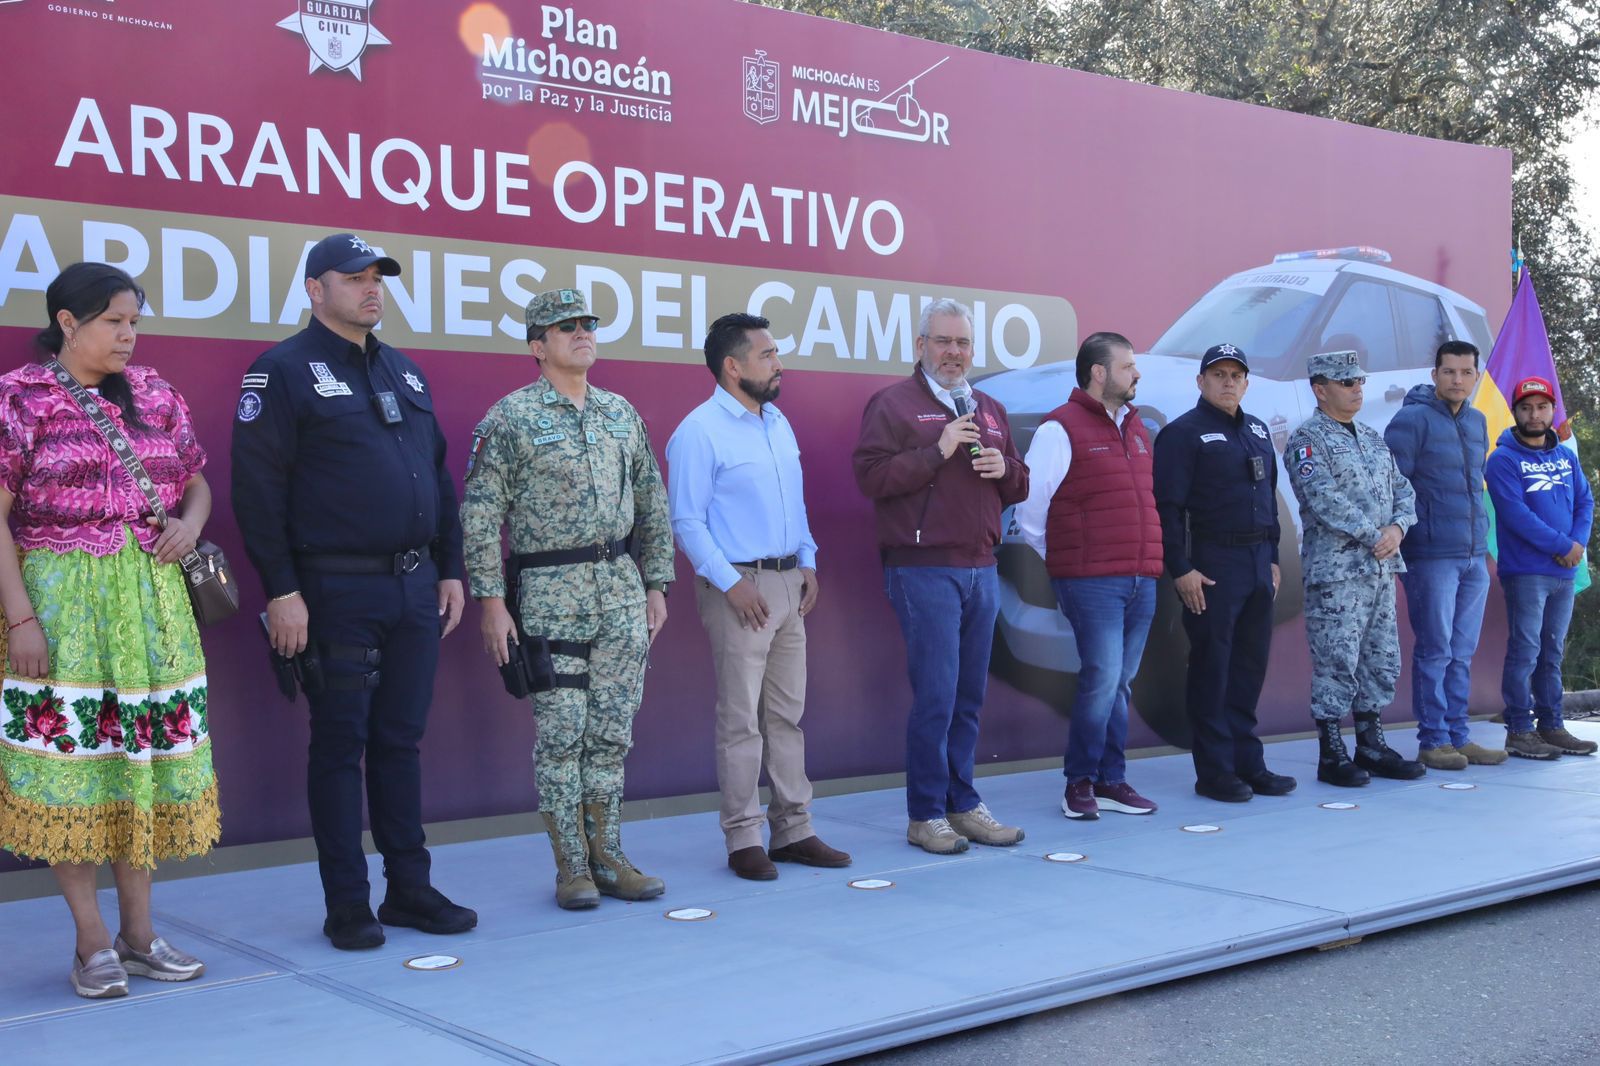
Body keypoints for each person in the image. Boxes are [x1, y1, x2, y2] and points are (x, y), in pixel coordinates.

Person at [232, 233, 475, 950]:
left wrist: (451, 568)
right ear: (316, 289)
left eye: (378, 279)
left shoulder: (404, 371)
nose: (372, 289)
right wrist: (282, 592)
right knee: (341, 746)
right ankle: (348, 904)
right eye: (356, 278)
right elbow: (257, 492)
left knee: (401, 741)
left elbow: (438, 480)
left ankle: (409, 890)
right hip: (334, 590)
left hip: (413, 588)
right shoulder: (281, 372)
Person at [0, 262, 216, 997]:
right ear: (68, 322)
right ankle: (91, 942)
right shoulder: (20, 398)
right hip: (62, 606)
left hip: (153, 604)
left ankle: (140, 934)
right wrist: (20, 617)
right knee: (76, 768)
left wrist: (189, 526)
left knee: (140, 764)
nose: (129, 335)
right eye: (114, 321)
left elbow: (196, 481)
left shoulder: (155, 392)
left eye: (134, 321)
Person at [462, 288, 675, 909]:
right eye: (565, 327)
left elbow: (652, 503)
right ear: (538, 346)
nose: (582, 333)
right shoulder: (510, 419)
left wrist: (656, 583)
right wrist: (490, 601)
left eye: (587, 324)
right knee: (562, 736)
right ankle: (572, 868)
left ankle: (610, 856)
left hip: (620, 594)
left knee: (611, 735)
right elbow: (479, 515)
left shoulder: (620, 413)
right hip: (551, 598)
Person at [665, 313, 850, 881]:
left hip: (789, 584)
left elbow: (793, 504)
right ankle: (743, 836)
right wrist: (732, 584)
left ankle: (794, 829)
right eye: (767, 355)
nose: (779, 365)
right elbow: (687, 521)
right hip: (738, 588)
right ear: (733, 366)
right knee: (741, 719)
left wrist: (809, 562)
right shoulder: (698, 431)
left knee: (786, 716)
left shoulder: (777, 423)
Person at [852, 298, 1028, 855]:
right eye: (943, 342)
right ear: (921, 346)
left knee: (969, 695)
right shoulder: (894, 404)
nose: (954, 353)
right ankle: (925, 814)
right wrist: (937, 450)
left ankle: (963, 803)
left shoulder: (990, 407)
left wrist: (1007, 472)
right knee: (937, 695)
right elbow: (871, 477)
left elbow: (1019, 482)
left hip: (982, 566)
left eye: (962, 344)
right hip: (924, 569)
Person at [1017, 332, 1163, 820]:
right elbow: (1030, 513)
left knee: (1121, 683)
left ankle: (1111, 780)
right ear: (1099, 373)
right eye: (1127, 366)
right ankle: (1079, 782)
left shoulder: (1138, 429)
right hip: (1090, 581)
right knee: (1102, 679)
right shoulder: (1059, 429)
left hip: (1142, 577)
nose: (1136, 374)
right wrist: (1066, 565)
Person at [1150, 344, 1298, 802]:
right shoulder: (1182, 434)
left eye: (1236, 374)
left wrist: (1272, 558)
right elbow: (1167, 509)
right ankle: (1214, 771)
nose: (1228, 381)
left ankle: (1248, 764)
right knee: (1213, 668)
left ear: (1247, 383)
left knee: (1248, 669)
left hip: (1256, 564)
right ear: (1201, 382)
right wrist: (1182, 569)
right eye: (1218, 374)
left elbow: (1269, 498)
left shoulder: (1255, 429)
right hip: (1211, 566)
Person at [1283, 350, 1423, 787]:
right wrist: (1373, 534)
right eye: (1346, 383)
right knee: (1336, 659)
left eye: (1359, 381)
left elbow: (1403, 488)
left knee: (1381, 658)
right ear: (1320, 389)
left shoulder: (1373, 437)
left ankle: (1370, 744)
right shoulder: (1308, 439)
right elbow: (1322, 498)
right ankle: (1331, 753)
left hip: (1381, 569)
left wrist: (1398, 528)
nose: (1356, 389)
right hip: (1337, 574)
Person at [1383, 341, 1506, 769]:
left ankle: (1458, 735)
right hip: (1430, 555)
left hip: (1474, 555)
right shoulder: (1411, 419)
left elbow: (1477, 486)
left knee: (1461, 651)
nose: (1457, 380)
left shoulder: (1477, 421)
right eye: (1449, 371)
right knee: (1435, 650)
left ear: (1475, 376)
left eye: (1465, 372)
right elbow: (1393, 487)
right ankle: (1433, 740)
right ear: (1434, 375)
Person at [1484, 376, 1597, 759]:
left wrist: (1577, 543)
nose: (1535, 414)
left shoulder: (1565, 456)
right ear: (1515, 412)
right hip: (1527, 572)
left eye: (1542, 407)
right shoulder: (1502, 460)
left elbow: (1585, 500)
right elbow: (1516, 515)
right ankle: (1519, 730)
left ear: (1552, 411)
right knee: (1525, 651)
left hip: (1564, 572)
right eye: (1527, 408)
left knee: (1551, 653)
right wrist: (1563, 545)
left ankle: (1551, 725)